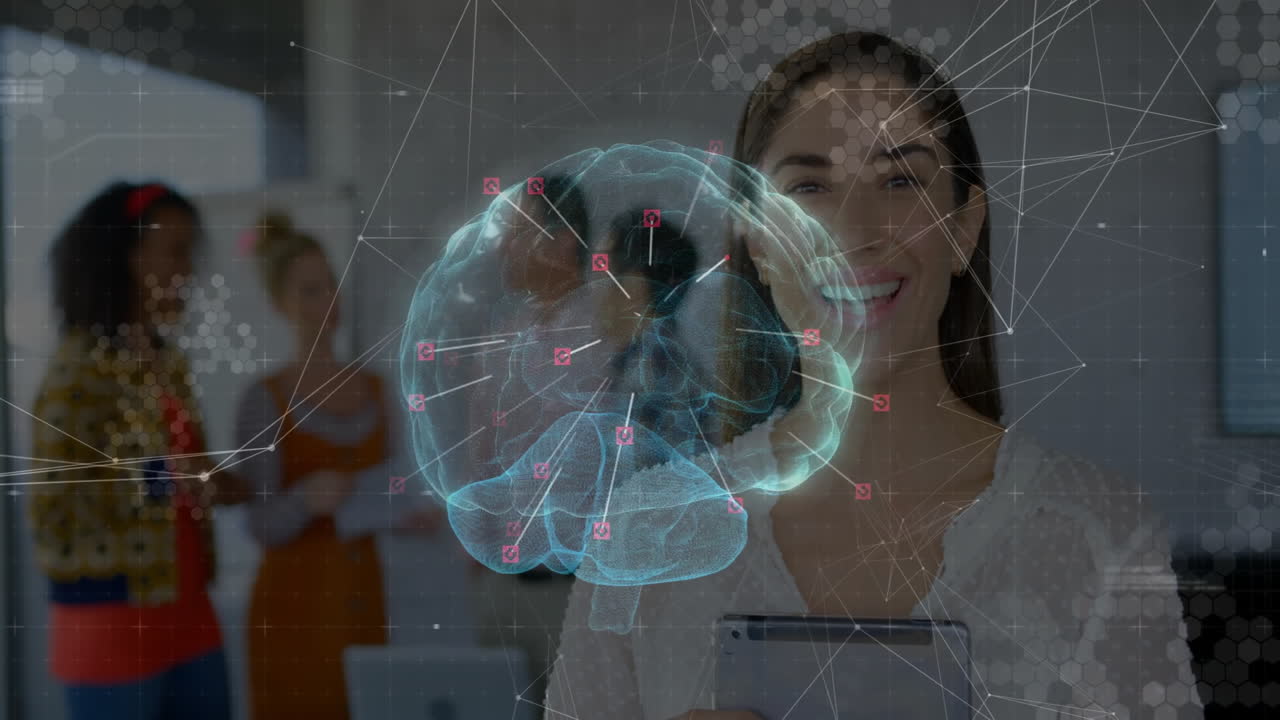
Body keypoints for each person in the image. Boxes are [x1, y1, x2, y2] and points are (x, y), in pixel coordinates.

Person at [544, 31, 1200, 719]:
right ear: (758, 241)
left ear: (963, 228)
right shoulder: (649, 531)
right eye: (809, 187)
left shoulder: (1100, 534)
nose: (854, 231)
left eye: (899, 180)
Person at [28, 181, 250, 720]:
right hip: (111, 623)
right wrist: (169, 476)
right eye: (175, 251)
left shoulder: (168, 363)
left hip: (188, 608)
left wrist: (223, 483)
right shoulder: (78, 366)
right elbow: (54, 507)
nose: (187, 270)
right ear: (129, 256)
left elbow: (186, 473)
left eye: (189, 253)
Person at [233, 211, 438, 720]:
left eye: (330, 286)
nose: (327, 301)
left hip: (364, 601)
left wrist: (416, 513)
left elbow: (398, 487)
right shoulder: (264, 401)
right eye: (309, 290)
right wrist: (305, 498)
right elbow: (258, 524)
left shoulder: (376, 390)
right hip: (292, 609)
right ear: (279, 304)